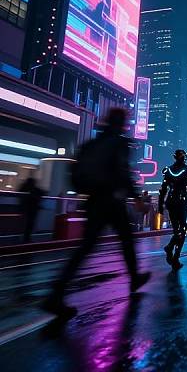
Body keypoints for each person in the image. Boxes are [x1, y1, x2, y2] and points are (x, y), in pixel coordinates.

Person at [43, 108, 151, 319]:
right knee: (126, 240)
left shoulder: (92, 144)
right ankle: (134, 277)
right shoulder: (119, 143)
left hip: (93, 201)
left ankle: (56, 293)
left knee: (86, 247)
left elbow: (76, 173)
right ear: (122, 124)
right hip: (111, 200)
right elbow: (122, 171)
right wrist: (136, 197)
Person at [159, 149, 187, 271]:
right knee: (183, 230)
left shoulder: (168, 171)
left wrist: (160, 204)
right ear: (183, 158)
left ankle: (173, 253)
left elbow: (163, 189)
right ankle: (174, 254)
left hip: (171, 202)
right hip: (183, 202)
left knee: (178, 230)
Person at [19, 176, 45, 243]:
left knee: (27, 224)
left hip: (26, 208)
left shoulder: (24, 188)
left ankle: (25, 238)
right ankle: (26, 238)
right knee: (30, 224)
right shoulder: (33, 189)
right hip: (32, 209)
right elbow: (41, 192)